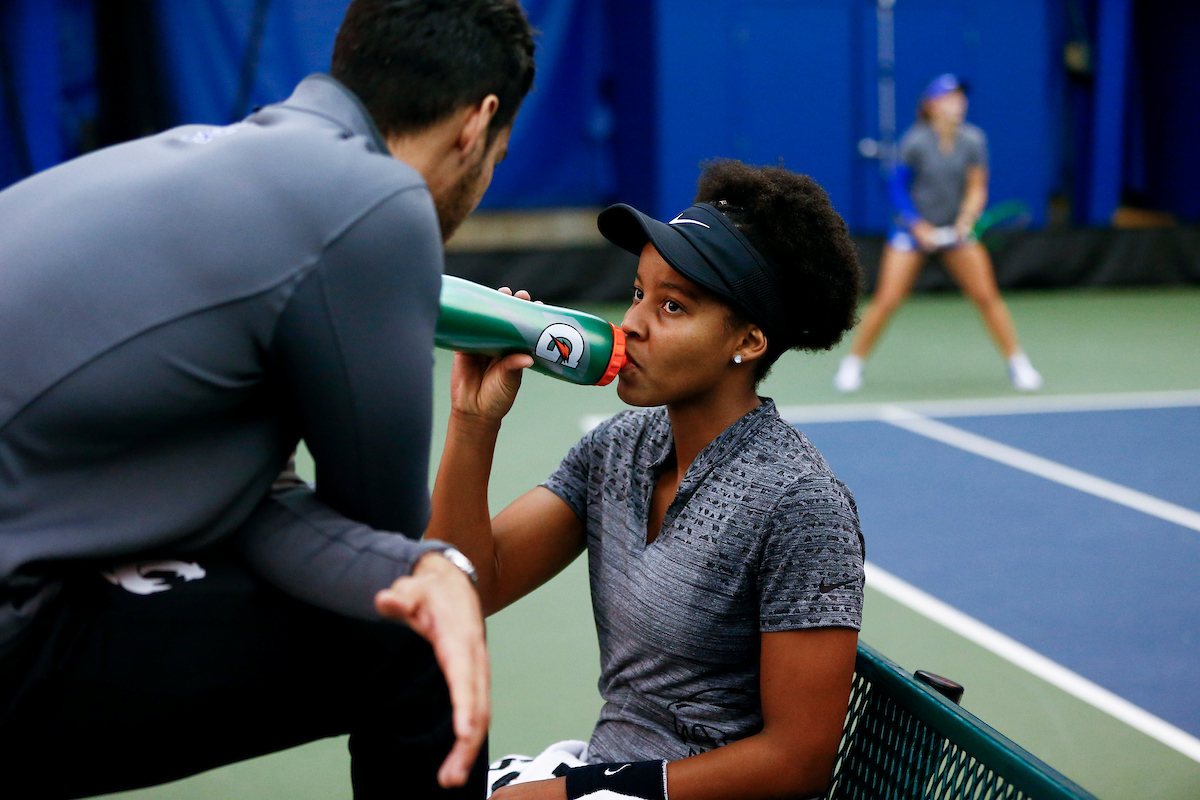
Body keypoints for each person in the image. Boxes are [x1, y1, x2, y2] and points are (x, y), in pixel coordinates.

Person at [0, 1, 534, 797]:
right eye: (498, 155)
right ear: (475, 125)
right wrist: (437, 570)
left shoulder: (184, 159)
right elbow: (379, 552)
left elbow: (254, 502)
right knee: (419, 641)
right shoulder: (375, 204)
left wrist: (422, 565)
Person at [429, 160, 866, 800]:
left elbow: (796, 762)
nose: (632, 325)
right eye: (639, 293)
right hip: (604, 771)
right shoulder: (618, 450)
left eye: (672, 306)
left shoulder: (798, 503)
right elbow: (468, 585)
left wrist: (574, 796)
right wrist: (473, 420)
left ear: (747, 339)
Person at [833, 73, 1043, 393]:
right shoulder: (914, 140)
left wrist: (966, 220)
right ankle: (853, 365)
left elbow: (976, 187)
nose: (958, 103)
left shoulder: (974, 140)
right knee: (887, 300)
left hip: (955, 232)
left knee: (986, 297)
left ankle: (1018, 363)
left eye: (960, 97)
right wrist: (917, 226)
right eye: (949, 98)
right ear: (932, 106)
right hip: (912, 232)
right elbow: (896, 189)